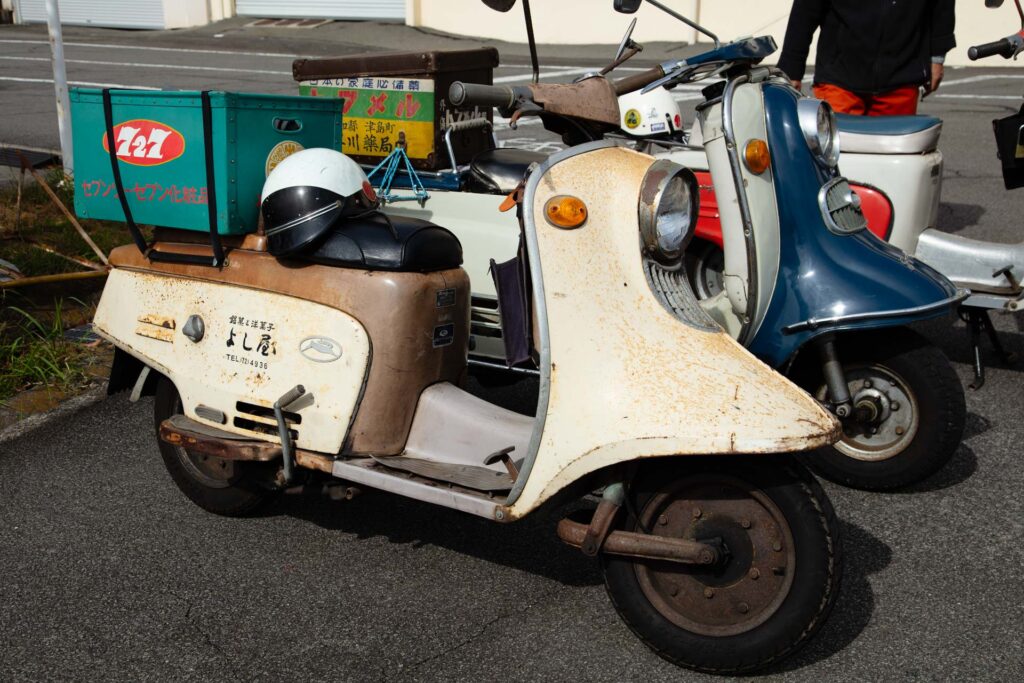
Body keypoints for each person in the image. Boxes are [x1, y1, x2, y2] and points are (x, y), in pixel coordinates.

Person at [777, 0, 956, 116]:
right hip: (840, 78)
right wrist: (791, 68)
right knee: (838, 159)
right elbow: (806, 9)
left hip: (901, 74)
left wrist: (937, 57)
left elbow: (942, 6)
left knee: (892, 165)